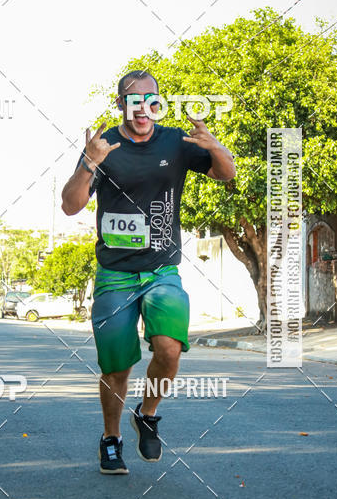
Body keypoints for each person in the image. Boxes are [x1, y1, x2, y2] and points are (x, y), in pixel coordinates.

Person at [61, 70, 235, 475]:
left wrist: (216, 146)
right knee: (117, 368)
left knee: (169, 349)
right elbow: (71, 206)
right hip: (115, 275)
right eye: (134, 100)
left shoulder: (176, 141)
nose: (143, 109)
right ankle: (111, 438)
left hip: (161, 271)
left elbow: (226, 174)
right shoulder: (103, 146)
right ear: (121, 103)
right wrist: (89, 163)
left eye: (151, 100)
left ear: (159, 103)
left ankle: (148, 414)